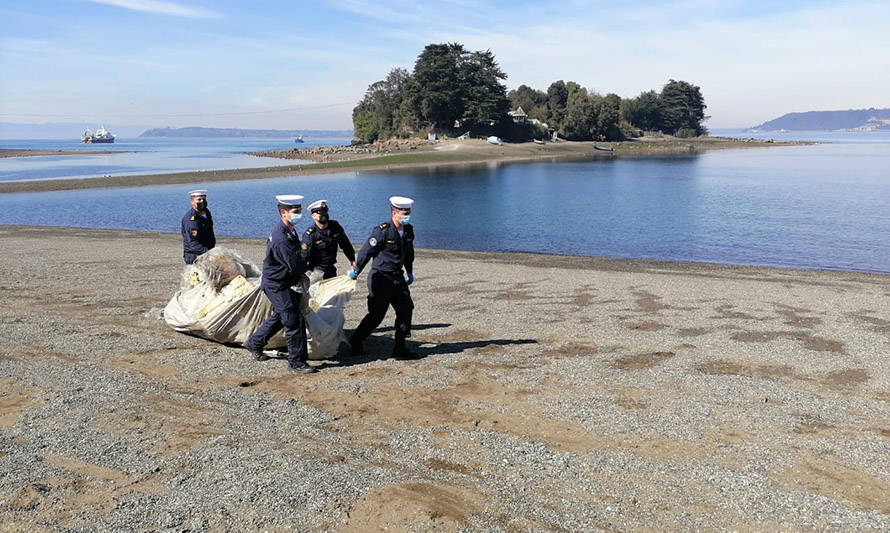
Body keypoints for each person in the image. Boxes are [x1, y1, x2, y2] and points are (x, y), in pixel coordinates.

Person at [243, 195, 316, 374]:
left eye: (299, 210)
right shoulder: (281, 237)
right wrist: (310, 259)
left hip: (282, 281)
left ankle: (254, 343)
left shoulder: (289, 229)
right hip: (275, 284)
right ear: (283, 213)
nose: (299, 214)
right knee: (293, 319)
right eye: (295, 211)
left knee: (280, 316)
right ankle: (296, 362)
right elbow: (295, 265)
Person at [347, 196, 417, 359]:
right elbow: (366, 252)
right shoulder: (382, 231)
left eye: (408, 213)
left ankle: (400, 349)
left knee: (406, 309)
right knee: (376, 315)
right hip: (380, 278)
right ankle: (356, 340)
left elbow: (409, 254)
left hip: (397, 278)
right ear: (394, 213)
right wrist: (356, 271)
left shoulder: (408, 230)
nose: (407, 216)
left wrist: (410, 271)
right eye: (404, 213)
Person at [300, 200, 356, 280]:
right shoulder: (310, 234)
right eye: (320, 213)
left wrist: (352, 260)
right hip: (316, 271)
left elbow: (346, 245)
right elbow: (304, 257)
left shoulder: (335, 227)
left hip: (331, 269)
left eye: (325, 212)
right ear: (313, 216)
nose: (324, 215)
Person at [181, 189, 216, 264]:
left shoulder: (206, 212)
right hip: (195, 256)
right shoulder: (191, 219)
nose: (202, 202)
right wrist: (209, 252)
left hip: (207, 252)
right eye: (199, 200)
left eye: (204, 199)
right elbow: (193, 243)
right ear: (192, 202)